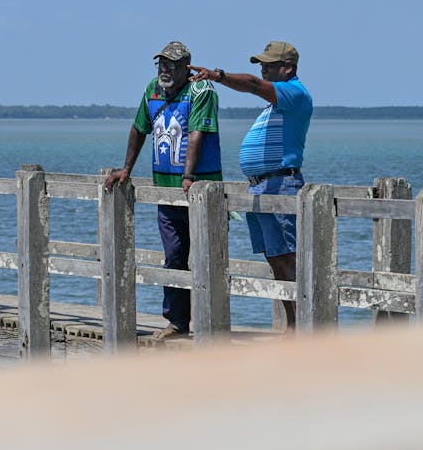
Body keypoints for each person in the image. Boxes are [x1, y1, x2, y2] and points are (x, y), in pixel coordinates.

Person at [188, 41, 312, 330]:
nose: (263, 68)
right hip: (261, 187)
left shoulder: (295, 93)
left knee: (288, 259)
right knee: (275, 260)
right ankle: (293, 326)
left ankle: (303, 329)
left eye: (269, 63)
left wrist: (218, 75)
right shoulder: (275, 104)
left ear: (288, 68)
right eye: (261, 63)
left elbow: (254, 84)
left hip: (280, 184)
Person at [105, 40, 222, 339]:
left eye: (171, 64)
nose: (165, 70)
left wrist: (189, 175)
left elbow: (196, 133)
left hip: (199, 190)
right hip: (165, 192)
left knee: (208, 256)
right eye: (161, 64)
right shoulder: (152, 90)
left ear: (187, 67)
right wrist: (126, 169)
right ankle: (177, 321)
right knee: (173, 257)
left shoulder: (201, 91)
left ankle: (212, 322)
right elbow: (138, 128)